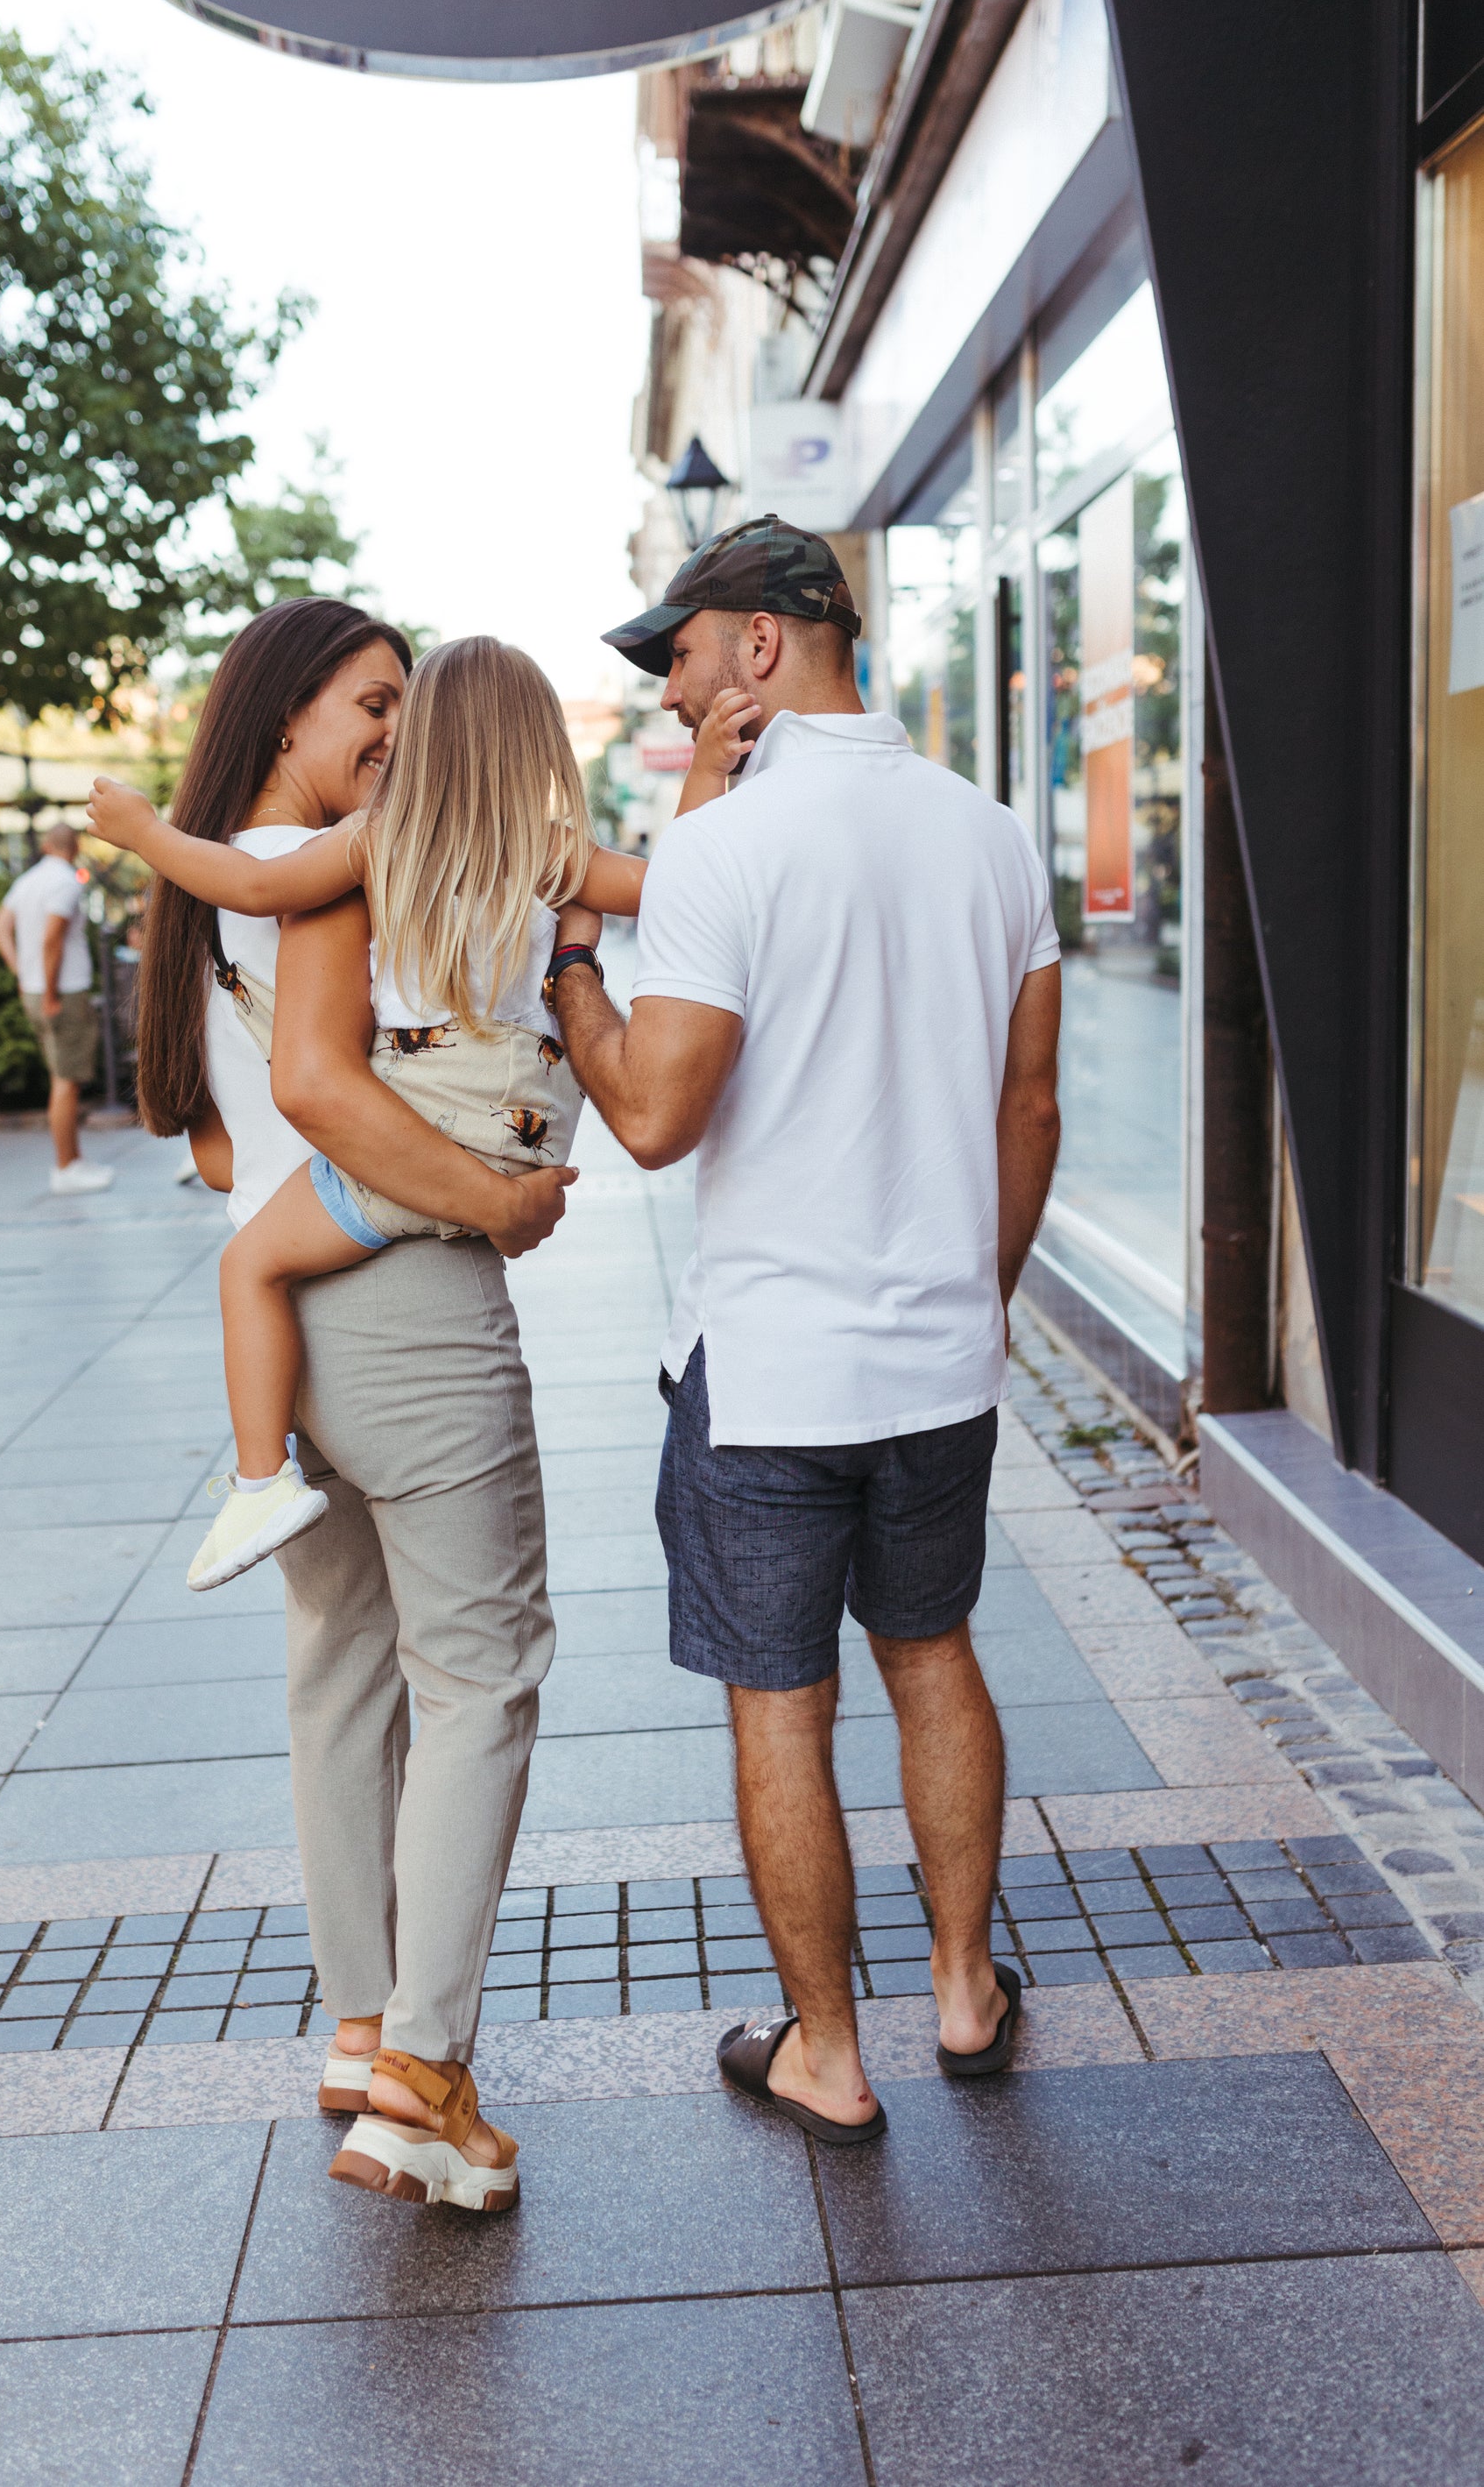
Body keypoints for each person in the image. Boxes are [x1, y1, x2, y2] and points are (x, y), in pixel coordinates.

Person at [549, 514, 1064, 2142]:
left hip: (770, 1368)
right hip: (938, 1359)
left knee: (782, 1700)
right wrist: (972, 1297)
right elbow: (1027, 1103)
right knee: (933, 1658)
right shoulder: (991, 833)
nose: (672, 686)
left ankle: (827, 2053)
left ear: (763, 642)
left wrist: (574, 967)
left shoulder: (722, 848)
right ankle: (968, 1988)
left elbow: (649, 1114)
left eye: (682, 652)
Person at [131, 596, 577, 2214]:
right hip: (403, 1298)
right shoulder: (337, 862)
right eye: (373, 701)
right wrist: (488, 1191)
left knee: (341, 1673)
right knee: (482, 1670)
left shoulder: (199, 902)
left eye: (407, 706)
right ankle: (420, 2078)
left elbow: (218, 1136)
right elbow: (331, 1087)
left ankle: (364, 2022)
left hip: (289, 1317)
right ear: (286, 709)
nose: (396, 733)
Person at [88, 641, 748, 1595]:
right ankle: (261, 1470)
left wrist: (146, 832)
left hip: (428, 1127)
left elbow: (255, 886)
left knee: (250, 1264)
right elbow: (672, 888)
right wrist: (703, 776)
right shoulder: (542, 848)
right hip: (526, 1132)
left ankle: (257, 1477)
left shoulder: (373, 843)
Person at [0, 822, 115, 1196]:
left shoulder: (27, 881)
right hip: (62, 992)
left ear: (46, 845)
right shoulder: (65, 882)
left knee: (62, 1077)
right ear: (74, 845)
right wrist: (49, 993)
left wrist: (21, 972)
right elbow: (52, 939)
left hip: (37, 989)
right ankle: (66, 1167)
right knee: (66, 1081)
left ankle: (73, 1160)